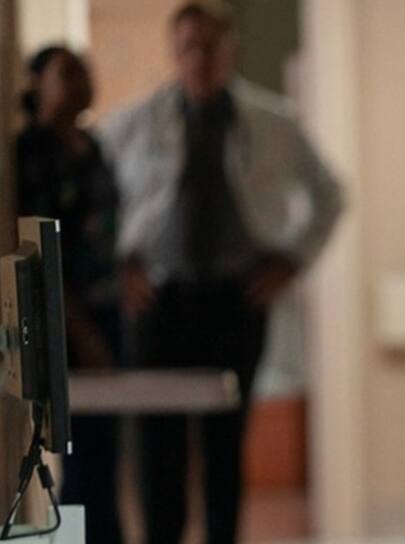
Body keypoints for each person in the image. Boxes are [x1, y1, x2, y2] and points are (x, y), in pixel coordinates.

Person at [98, 2, 343, 543]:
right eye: (190, 47)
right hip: (159, 302)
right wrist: (119, 265)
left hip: (236, 302)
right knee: (158, 450)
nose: (200, 58)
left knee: (225, 446)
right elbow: (93, 198)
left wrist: (292, 260)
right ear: (174, 52)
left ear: (231, 50)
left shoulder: (272, 120)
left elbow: (329, 194)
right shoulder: (135, 123)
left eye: (210, 46)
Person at [15, 45, 123, 544]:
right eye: (68, 73)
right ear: (38, 85)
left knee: (105, 453)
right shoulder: (31, 154)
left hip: (110, 310)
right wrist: (78, 332)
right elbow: (42, 253)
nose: (82, 80)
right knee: (75, 450)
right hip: (65, 321)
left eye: (85, 69)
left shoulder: (93, 146)